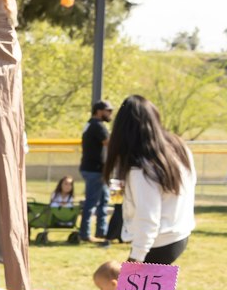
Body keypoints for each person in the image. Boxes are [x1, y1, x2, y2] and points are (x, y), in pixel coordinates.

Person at [106, 94, 196, 265]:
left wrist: (136, 257)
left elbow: (148, 216)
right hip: (179, 233)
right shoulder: (178, 147)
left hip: (158, 241)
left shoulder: (142, 167)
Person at [76, 100, 113, 244]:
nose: (110, 114)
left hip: (93, 169)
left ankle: (101, 232)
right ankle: (85, 233)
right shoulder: (98, 126)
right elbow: (109, 144)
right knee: (92, 202)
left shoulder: (90, 124)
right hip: (94, 170)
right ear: (99, 111)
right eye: (108, 111)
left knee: (103, 200)